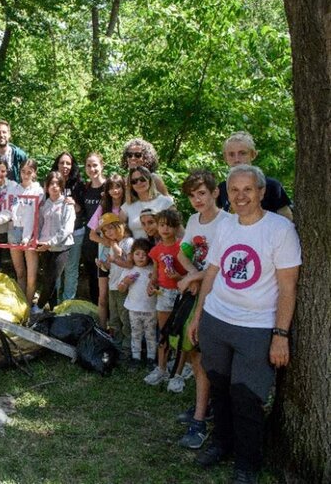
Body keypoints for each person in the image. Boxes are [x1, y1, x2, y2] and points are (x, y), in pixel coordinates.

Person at [188, 165, 300, 484]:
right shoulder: (226, 226)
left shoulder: (280, 230)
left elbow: (288, 287)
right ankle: (222, 443)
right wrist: (198, 316)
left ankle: (248, 463)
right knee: (220, 390)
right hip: (216, 320)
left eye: (248, 189)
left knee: (247, 396)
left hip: (256, 329)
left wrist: (280, 335)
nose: (240, 196)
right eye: (234, 190)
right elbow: (211, 272)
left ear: (262, 192)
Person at [174, 170, 231, 450]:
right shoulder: (194, 220)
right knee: (195, 355)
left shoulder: (228, 222)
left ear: (215, 193)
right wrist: (194, 273)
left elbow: (222, 265)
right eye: (192, 195)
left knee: (209, 357)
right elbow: (183, 251)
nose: (197, 200)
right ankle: (202, 407)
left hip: (220, 298)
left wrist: (193, 278)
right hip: (198, 293)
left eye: (202, 193)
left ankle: (203, 420)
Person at [144, 208, 188, 389]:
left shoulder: (183, 247)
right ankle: (161, 368)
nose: (165, 229)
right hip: (163, 294)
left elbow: (188, 275)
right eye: (162, 225)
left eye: (170, 226)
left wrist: (176, 276)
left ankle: (178, 373)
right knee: (164, 333)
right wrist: (151, 284)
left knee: (181, 336)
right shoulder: (156, 250)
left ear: (177, 228)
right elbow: (155, 273)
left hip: (181, 294)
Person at [216, 131, 293, 220]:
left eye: (242, 153)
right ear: (225, 158)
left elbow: (287, 220)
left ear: (253, 155)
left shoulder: (272, 186)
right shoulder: (222, 188)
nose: (236, 159)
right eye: (231, 154)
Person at [88, 173, 126, 328]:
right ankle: (103, 329)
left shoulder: (128, 206)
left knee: (121, 297)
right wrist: (110, 243)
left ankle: (121, 333)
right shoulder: (103, 207)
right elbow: (92, 235)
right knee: (103, 297)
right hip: (104, 258)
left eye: (118, 187)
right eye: (111, 188)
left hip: (123, 259)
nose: (115, 191)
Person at [35, 171, 75, 313]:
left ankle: (38, 306)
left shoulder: (67, 204)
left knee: (51, 280)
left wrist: (51, 242)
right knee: (48, 279)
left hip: (61, 248)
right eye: (51, 183)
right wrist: (38, 241)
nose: (54, 187)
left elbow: (67, 229)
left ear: (62, 187)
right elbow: (39, 225)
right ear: (46, 186)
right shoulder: (44, 204)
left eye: (58, 184)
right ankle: (53, 309)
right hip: (45, 247)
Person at [7, 160, 43, 304]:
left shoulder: (38, 191)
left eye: (29, 172)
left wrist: (28, 236)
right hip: (14, 231)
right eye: (23, 172)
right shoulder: (14, 189)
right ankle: (20, 305)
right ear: (20, 171)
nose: (26, 175)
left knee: (31, 276)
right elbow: (8, 212)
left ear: (34, 173)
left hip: (31, 233)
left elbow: (32, 216)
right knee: (20, 272)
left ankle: (28, 307)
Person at [117, 238, 156, 367]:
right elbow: (121, 289)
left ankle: (151, 357)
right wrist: (126, 282)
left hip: (150, 309)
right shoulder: (129, 270)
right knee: (135, 334)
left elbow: (159, 288)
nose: (141, 257)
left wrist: (155, 282)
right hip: (133, 309)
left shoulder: (152, 270)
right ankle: (136, 357)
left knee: (150, 334)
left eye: (144, 254)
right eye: (137, 254)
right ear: (132, 255)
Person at [99, 213, 133, 352]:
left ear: (119, 226)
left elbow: (130, 264)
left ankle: (127, 348)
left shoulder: (129, 242)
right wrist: (103, 264)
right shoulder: (114, 244)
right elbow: (110, 266)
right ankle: (117, 345)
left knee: (125, 319)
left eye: (110, 228)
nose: (108, 232)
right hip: (112, 285)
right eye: (105, 231)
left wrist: (115, 260)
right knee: (114, 318)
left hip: (123, 287)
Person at [54, 152, 85, 302]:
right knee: (56, 269)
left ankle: (67, 303)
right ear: (57, 164)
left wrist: (75, 204)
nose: (65, 166)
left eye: (68, 163)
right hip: (55, 234)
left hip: (75, 233)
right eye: (62, 163)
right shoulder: (51, 182)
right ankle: (55, 303)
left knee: (71, 269)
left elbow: (84, 211)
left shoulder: (78, 185)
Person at [120, 166, 175, 239]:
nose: (139, 183)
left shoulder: (165, 202)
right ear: (131, 185)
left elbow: (178, 228)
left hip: (162, 247)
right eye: (134, 181)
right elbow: (118, 228)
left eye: (142, 179)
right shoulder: (127, 206)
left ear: (149, 180)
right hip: (137, 248)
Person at [81, 153, 106, 303]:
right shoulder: (86, 188)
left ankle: (109, 316)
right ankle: (95, 311)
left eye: (95, 165)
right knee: (92, 275)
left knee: (105, 276)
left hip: (105, 239)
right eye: (89, 166)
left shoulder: (109, 187)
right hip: (89, 238)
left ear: (102, 166)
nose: (92, 169)